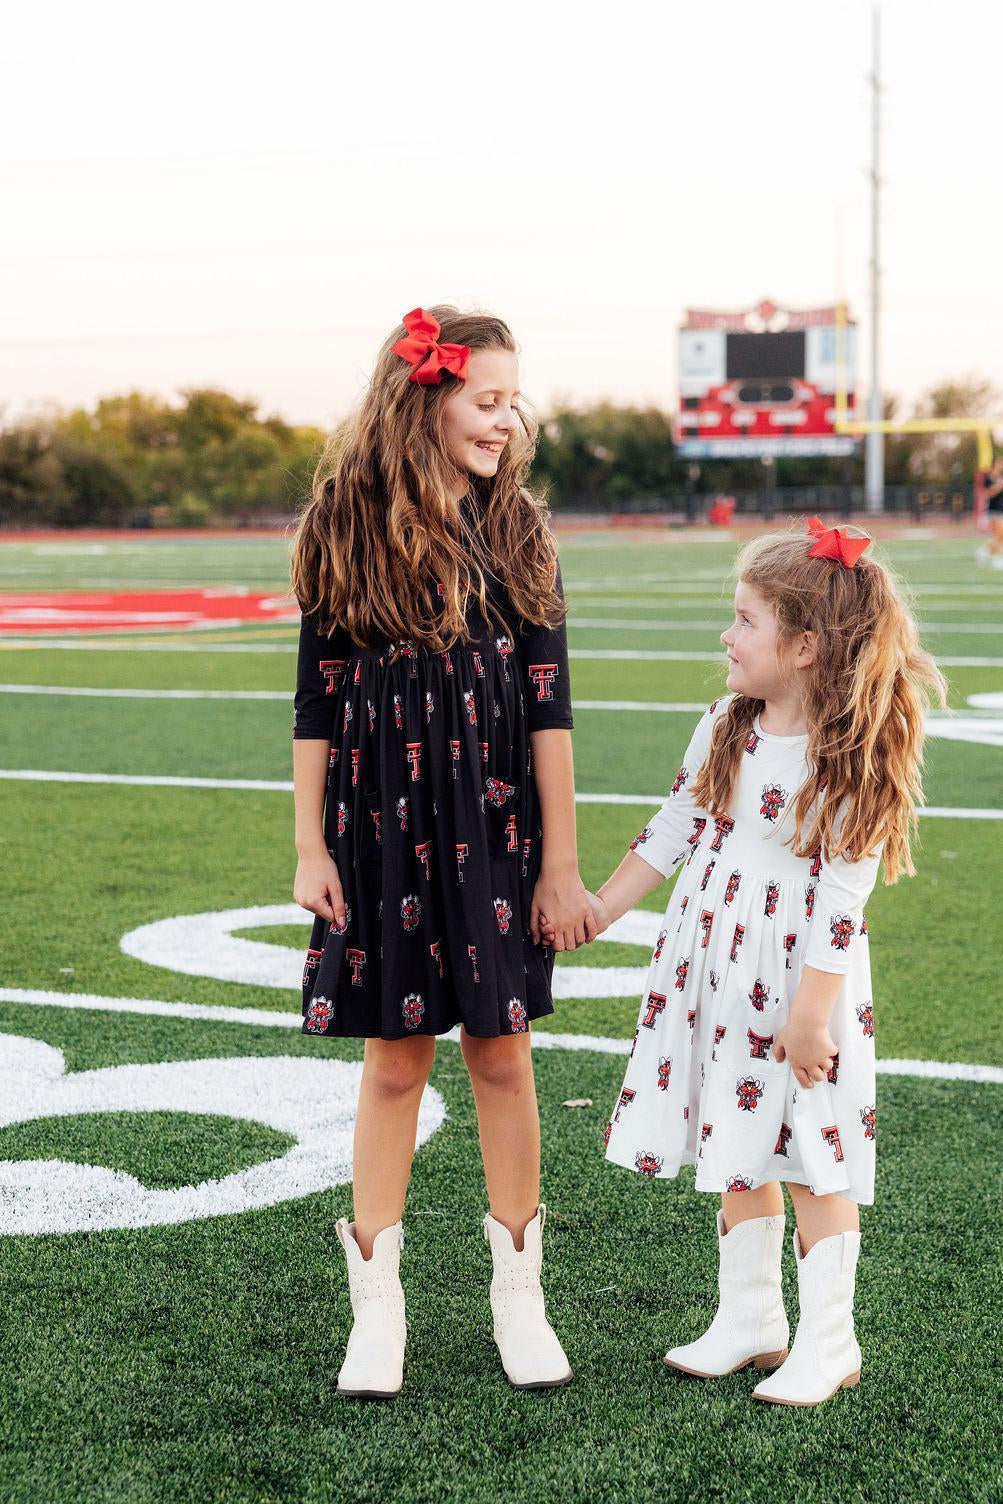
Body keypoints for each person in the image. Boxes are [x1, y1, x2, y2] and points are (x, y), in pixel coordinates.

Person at [558, 517, 946, 1407]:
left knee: (812, 1154)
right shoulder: (725, 726)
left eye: (743, 621)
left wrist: (812, 1014)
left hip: (799, 982)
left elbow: (843, 899)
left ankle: (829, 1340)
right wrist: (597, 908)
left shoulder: (845, 756)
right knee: (737, 1143)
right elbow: (674, 830)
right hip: (716, 966)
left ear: (805, 646)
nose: (725, 638)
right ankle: (750, 1318)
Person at [289, 306, 595, 1400]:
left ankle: (521, 1295)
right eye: (486, 399)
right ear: (424, 399)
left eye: (515, 401)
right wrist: (307, 845)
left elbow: (550, 710)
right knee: (393, 1063)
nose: (506, 421)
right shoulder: (343, 520)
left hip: (495, 819)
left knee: (502, 1056)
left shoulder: (522, 535)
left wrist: (561, 863)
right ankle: (378, 1311)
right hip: (380, 827)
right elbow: (315, 701)